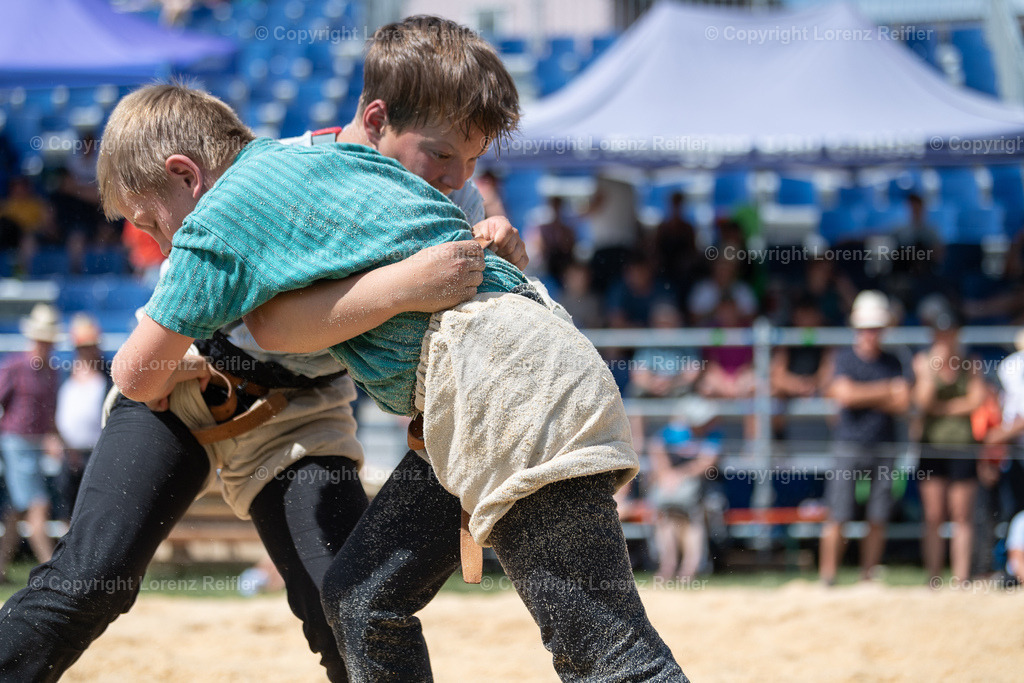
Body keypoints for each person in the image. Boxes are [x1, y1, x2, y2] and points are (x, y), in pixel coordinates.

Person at [100, 77, 684, 681]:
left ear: (187, 175)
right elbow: (273, 327)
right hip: (482, 397)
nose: (160, 243)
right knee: (361, 600)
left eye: (150, 223)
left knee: (614, 659)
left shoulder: (222, 216)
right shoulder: (325, 166)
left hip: (509, 393)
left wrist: (174, 354)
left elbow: (137, 375)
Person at [0, 18, 529, 682]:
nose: (453, 177)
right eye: (444, 157)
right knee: (88, 578)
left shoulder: (439, 192)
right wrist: (183, 364)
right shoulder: (269, 185)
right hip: (178, 388)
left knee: (347, 606)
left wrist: (505, 252)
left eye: (150, 224)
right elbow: (150, 365)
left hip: (298, 413)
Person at [820, 291, 911, 585]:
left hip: (883, 445)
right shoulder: (845, 358)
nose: (870, 334)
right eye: (866, 328)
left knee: (878, 515)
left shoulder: (893, 360)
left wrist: (862, 394)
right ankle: (828, 577)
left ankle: (867, 576)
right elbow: (844, 395)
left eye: (875, 328)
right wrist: (886, 390)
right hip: (849, 444)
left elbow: (903, 402)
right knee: (838, 513)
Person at [912, 306, 984, 583]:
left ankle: (960, 579)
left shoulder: (971, 363)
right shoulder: (924, 362)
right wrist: (932, 369)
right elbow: (923, 401)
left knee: (962, 515)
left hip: (963, 447)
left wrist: (940, 409)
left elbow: (976, 403)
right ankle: (933, 578)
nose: (944, 337)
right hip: (931, 446)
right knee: (933, 515)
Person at [0, 304, 61, 580]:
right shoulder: (14, 366)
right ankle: (52, 572)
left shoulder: (52, 372)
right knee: (37, 505)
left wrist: (56, 439)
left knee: (18, 509)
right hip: (16, 443)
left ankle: (1, 568)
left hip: (35, 444)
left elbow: (50, 415)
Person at [648, 396, 721, 580]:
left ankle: (689, 571)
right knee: (667, 520)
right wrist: (666, 475)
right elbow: (656, 449)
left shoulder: (713, 435)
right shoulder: (674, 432)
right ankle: (667, 568)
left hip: (702, 492)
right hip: (673, 489)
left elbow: (707, 464)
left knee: (693, 522)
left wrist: (677, 476)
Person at [53, 314, 109, 518]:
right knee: (67, 506)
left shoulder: (107, 376)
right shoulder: (65, 375)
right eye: (83, 347)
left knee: (93, 507)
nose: (87, 351)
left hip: (97, 451)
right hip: (68, 453)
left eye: (90, 346)